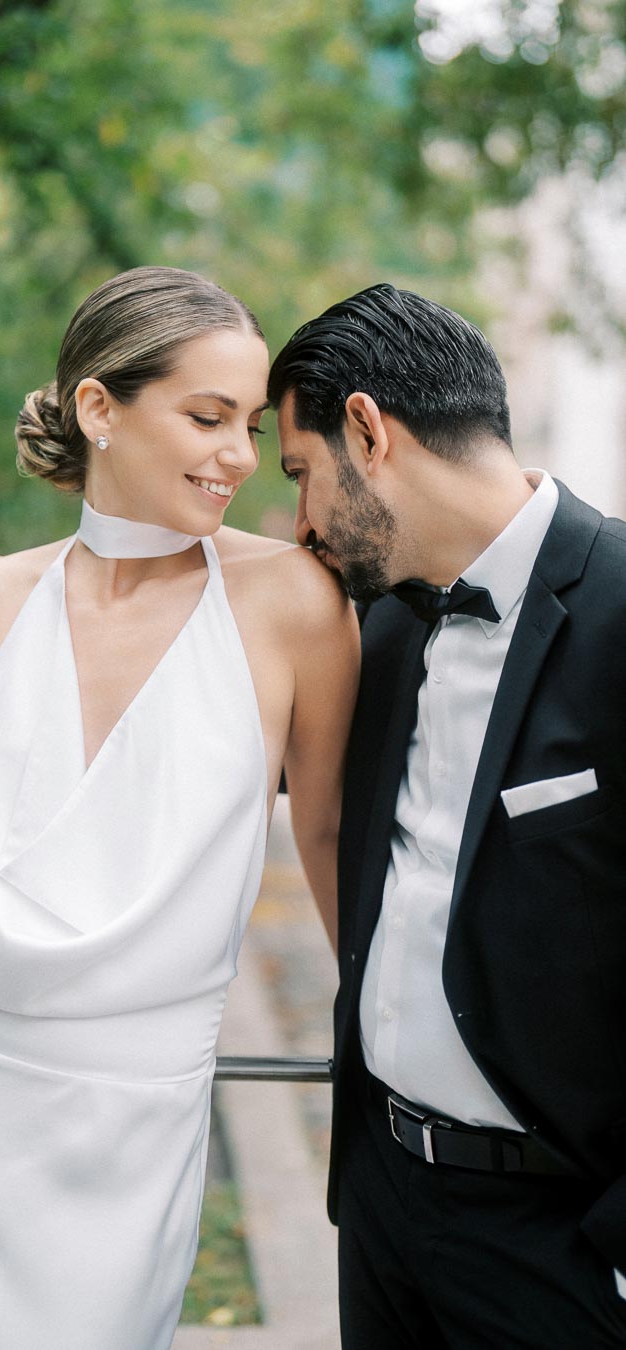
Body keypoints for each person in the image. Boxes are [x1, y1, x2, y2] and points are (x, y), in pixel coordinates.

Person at [0, 266, 358, 1350]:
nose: (238, 454)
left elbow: (322, 835)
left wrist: (369, 1035)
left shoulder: (294, 604)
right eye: (206, 416)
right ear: (99, 408)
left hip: (123, 1132)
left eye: (250, 427)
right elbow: (0, 857)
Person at [265, 283, 626, 1348]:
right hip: (379, 1206)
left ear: (368, 431)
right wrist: (16, 592)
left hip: (557, 1243)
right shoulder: (369, 625)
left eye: (300, 475)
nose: (300, 527)